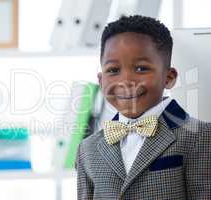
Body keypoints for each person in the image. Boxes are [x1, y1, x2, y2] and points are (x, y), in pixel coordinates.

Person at [76, 15, 211, 199]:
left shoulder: (200, 136)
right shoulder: (87, 149)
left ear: (169, 78)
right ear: (101, 81)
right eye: (113, 70)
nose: (126, 81)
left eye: (141, 68)